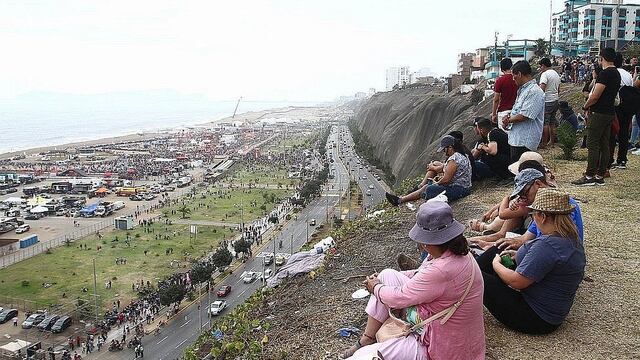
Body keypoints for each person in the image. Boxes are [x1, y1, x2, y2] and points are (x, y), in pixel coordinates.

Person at [342, 201, 485, 360]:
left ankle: (367, 346)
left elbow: (399, 298)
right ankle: (367, 337)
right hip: (446, 327)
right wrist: (381, 283)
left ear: (427, 242)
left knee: (364, 357)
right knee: (387, 275)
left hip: (442, 346)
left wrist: (375, 288)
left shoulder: (441, 270)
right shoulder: (455, 252)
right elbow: (420, 274)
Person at [477, 188, 586, 334]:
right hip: (550, 312)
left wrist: (496, 264)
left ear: (542, 216)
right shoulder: (570, 239)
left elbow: (517, 282)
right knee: (498, 249)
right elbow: (545, 262)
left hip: (535, 317)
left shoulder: (547, 246)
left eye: (534, 214)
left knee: (477, 276)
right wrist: (517, 254)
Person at [572, 48, 621, 186]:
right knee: (604, 144)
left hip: (599, 112)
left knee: (592, 143)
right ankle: (600, 175)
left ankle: (589, 175)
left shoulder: (605, 74)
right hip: (609, 112)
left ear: (602, 58)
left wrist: (586, 106)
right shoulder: (616, 73)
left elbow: (595, 96)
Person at [385, 135, 472, 205]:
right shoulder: (463, 155)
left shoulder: (454, 159)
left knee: (429, 189)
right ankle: (400, 200)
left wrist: (436, 183)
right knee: (427, 187)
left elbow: (446, 180)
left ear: (450, 147)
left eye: (444, 149)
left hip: (459, 189)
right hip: (463, 187)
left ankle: (400, 200)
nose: (444, 152)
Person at [502, 60, 545, 162]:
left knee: (522, 170)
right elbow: (518, 111)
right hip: (517, 138)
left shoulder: (534, 91)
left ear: (520, 74)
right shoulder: (523, 90)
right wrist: (508, 118)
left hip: (525, 140)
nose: (513, 79)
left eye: (514, 75)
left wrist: (508, 120)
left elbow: (525, 115)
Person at [538, 57, 561, 148]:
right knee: (552, 122)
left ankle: (544, 143)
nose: (540, 68)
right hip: (555, 100)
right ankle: (551, 142)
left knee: (545, 123)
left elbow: (542, 89)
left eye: (540, 66)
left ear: (543, 66)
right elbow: (559, 89)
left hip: (547, 100)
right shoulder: (556, 74)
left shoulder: (545, 74)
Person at [491, 58, 519, 126]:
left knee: (503, 135)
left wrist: (494, 114)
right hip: (517, 112)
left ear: (502, 69)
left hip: (503, 112)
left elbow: (496, 99)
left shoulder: (500, 81)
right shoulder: (518, 78)